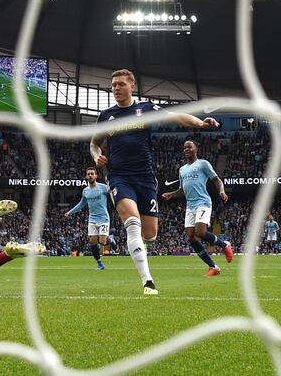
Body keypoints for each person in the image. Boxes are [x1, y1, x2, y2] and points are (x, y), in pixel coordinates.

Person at [90, 69, 220, 295]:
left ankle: (141, 249)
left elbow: (177, 115)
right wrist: (96, 156)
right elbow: (94, 143)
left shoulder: (146, 109)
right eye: (113, 85)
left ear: (132, 87)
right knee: (132, 222)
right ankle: (147, 281)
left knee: (150, 234)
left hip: (146, 178)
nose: (116, 88)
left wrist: (199, 124)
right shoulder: (106, 116)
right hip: (119, 176)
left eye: (121, 84)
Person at [161, 140, 233, 276]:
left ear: (196, 149)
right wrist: (172, 194)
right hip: (190, 206)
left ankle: (224, 245)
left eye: (189, 147)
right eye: (184, 148)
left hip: (203, 202)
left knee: (200, 232)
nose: (186, 149)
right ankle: (213, 267)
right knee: (191, 238)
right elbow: (182, 189)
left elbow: (217, 179)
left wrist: (222, 191)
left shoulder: (202, 164)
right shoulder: (182, 169)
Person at [65, 167, 111, 270]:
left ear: (96, 175)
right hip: (92, 219)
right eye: (88, 174)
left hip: (103, 217)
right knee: (93, 241)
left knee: (103, 242)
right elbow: (81, 204)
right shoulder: (85, 191)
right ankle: (100, 263)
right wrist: (70, 212)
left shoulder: (103, 187)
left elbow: (113, 194)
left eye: (92, 174)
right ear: (86, 176)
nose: (90, 175)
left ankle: (111, 240)